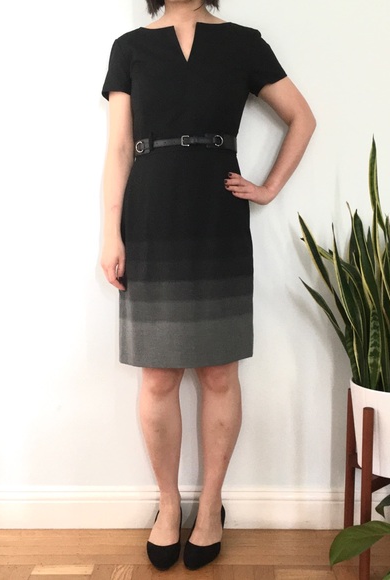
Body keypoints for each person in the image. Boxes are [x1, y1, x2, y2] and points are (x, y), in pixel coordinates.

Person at [100, 0, 315, 571]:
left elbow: (302, 117)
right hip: (150, 216)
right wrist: (110, 233)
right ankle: (169, 505)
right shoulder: (130, 48)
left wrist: (268, 187)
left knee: (220, 371)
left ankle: (212, 505)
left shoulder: (245, 41)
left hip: (217, 216)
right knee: (158, 374)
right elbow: (119, 148)